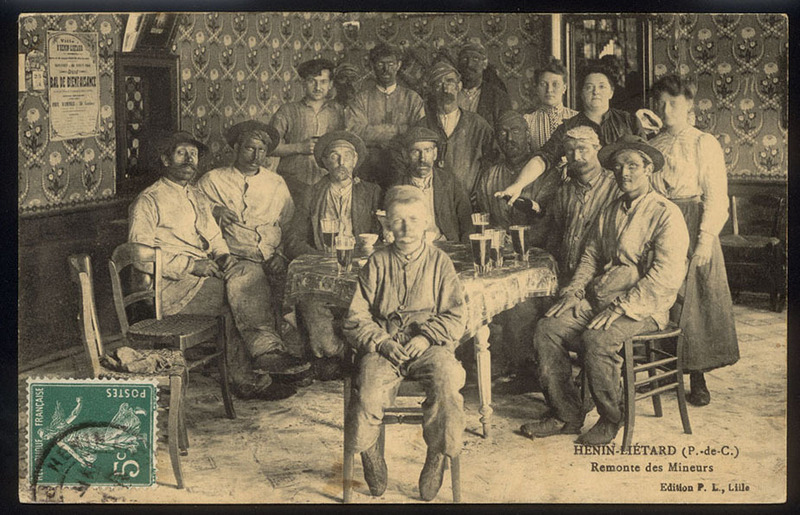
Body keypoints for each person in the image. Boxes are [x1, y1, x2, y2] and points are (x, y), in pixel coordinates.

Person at [520, 135, 689, 446]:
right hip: (601, 299)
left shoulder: (665, 213)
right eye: (619, 167)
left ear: (648, 169)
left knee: (597, 339)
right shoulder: (611, 209)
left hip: (645, 307)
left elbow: (665, 276)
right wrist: (574, 291)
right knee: (547, 328)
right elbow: (591, 256)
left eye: (633, 166)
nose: (624, 172)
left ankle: (611, 417)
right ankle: (566, 414)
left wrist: (621, 307)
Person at [129, 131, 296, 400]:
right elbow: (139, 255)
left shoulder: (196, 195)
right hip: (172, 288)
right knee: (236, 298)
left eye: (193, 154)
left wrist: (224, 255)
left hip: (203, 278)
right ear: (165, 160)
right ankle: (256, 368)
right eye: (181, 153)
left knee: (248, 272)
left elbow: (215, 236)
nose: (189, 160)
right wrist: (190, 265)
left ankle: (263, 359)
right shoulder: (149, 200)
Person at [343, 185, 467, 502]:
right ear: (387, 224)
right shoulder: (376, 263)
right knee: (368, 388)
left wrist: (426, 337)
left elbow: (456, 315)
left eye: (413, 219)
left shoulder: (440, 262)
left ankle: (437, 454)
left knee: (448, 379)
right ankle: (369, 450)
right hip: (384, 348)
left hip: (429, 347)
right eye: (398, 220)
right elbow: (356, 317)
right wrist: (382, 342)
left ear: (426, 222)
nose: (406, 228)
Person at [648, 74, 739, 406]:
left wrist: (705, 240)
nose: (665, 109)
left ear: (689, 105)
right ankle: (663, 369)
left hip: (693, 222)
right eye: (660, 103)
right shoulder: (653, 144)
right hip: (661, 223)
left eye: (673, 103)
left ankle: (697, 375)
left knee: (695, 302)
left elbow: (716, 196)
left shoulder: (703, 142)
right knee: (664, 297)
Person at [197, 120, 312, 383]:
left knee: (293, 288)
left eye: (262, 150)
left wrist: (280, 255)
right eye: (249, 148)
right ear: (236, 148)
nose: (256, 156)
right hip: (236, 256)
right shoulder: (213, 180)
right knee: (248, 281)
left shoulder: (276, 183)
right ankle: (266, 353)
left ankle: (293, 360)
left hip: (271, 256)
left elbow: (288, 225)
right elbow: (193, 215)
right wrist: (214, 211)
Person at [284, 130, 383, 380]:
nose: (341, 162)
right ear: (324, 162)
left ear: (355, 160)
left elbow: (385, 235)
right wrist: (319, 257)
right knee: (309, 295)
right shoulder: (312, 193)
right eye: (334, 156)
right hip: (325, 266)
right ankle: (335, 351)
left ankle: (365, 352)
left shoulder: (372, 192)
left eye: (347, 156)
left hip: (364, 266)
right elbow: (293, 239)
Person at [495, 65, 644, 205]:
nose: (595, 92)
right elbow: (543, 158)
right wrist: (518, 184)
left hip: (624, 196)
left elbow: (646, 160)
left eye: (601, 86)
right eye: (589, 87)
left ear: (611, 92)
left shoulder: (629, 121)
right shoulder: (568, 126)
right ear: (581, 93)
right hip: (583, 200)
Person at [346, 43, 426, 188]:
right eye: (380, 64)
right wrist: (400, 129)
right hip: (368, 169)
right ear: (372, 66)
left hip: (404, 169)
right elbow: (355, 132)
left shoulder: (412, 98)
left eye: (391, 64)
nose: (386, 69)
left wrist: (373, 133)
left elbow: (419, 134)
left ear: (398, 65)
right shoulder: (361, 99)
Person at [475, 110, 561, 245]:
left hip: (537, 251)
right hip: (499, 249)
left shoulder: (548, 174)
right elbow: (485, 220)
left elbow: (548, 223)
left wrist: (518, 240)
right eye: (503, 133)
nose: (509, 138)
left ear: (528, 135)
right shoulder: (489, 177)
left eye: (515, 131)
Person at [417, 60, 495, 205]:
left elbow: (491, 163)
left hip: (469, 202)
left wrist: (479, 192)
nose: (445, 88)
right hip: (431, 202)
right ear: (431, 90)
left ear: (459, 86)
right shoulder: (422, 126)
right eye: (438, 83)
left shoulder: (478, 125)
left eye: (450, 81)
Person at [270, 58, 344, 201]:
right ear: (303, 83)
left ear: (330, 84)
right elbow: (269, 147)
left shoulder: (337, 112)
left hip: (327, 183)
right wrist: (299, 147)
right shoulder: (287, 111)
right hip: (292, 183)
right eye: (312, 81)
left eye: (323, 82)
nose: (318, 87)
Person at [392, 126, 472, 243]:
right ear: (406, 155)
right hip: (412, 246)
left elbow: (468, 223)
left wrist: (464, 248)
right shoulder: (398, 188)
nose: (422, 158)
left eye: (427, 150)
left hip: (446, 245)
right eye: (415, 151)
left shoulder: (450, 182)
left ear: (435, 154)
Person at [523, 58, 578, 152]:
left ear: (564, 88)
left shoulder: (577, 118)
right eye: (543, 84)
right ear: (537, 89)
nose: (549, 90)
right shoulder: (528, 121)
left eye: (555, 84)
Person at [455, 41, 512, 129]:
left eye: (475, 59)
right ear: (458, 64)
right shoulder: (450, 93)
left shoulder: (498, 97)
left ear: (484, 64)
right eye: (464, 59)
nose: (469, 64)